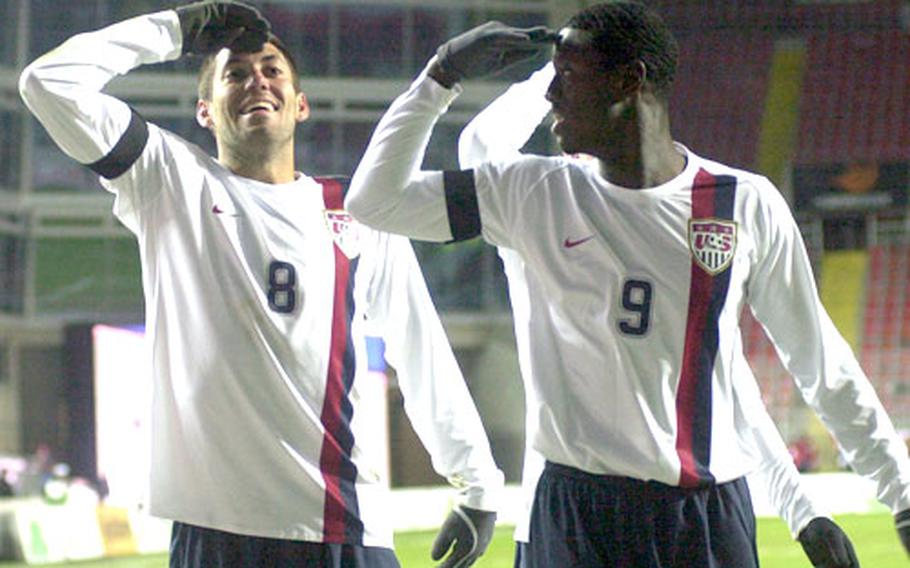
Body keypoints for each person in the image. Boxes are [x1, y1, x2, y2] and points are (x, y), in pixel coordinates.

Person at [344, 1, 910, 566]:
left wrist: (898, 498)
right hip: (575, 512)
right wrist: (441, 75)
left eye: (567, 77)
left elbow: (814, 365)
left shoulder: (742, 203)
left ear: (628, 80)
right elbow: (375, 200)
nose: (550, 97)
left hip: (706, 516)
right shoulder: (531, 193)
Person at [19, 2, 503, 567]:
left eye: (273, 71)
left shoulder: (357, 211)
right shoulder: (170, 182)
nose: (257, 81)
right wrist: (176, 30)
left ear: (300, 106)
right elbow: (47, 84)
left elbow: (418, 345)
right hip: (215, 534)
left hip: (341, 526)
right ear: (205, 111)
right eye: (235, 73)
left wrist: (477, 483)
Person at [457, 61, 862, 568]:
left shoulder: (672, 251)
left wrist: (801, 511)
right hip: (569, 518)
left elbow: (733, 400)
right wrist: (556, 71)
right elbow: (479, 150)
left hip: (682, 517)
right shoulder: (540, 217)